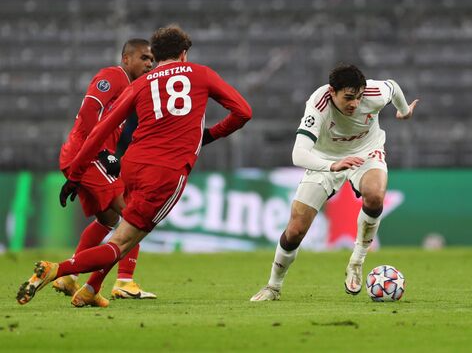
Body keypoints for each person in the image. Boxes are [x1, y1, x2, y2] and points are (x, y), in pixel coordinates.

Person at [16, 25, 252, 307]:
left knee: (114, 224)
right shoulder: (201, 74)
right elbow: (243, 112)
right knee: (122, 242)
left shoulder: (141, 83)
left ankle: (91, 289)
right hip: (165, 171)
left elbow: (101, 129)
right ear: (184, 54)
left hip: (131, 164)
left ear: (157, 55)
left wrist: (76, 173)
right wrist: (210, 135)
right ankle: (60, 270)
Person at [250, 64, 418, 301]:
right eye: (349, 98)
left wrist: (404, 110)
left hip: (366, 152)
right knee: (296, 229)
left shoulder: (374, 92)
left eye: (359, 97)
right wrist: (331, 165)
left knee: (375, 195)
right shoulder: (318, 105)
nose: (355, 104)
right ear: (332, 92)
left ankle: (356, 262)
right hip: (325, 159)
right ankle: (273, 287)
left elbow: (393, 87)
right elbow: (298, 154)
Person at [54, 38, 157, 304]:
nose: (149, 63)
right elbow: (90, 111)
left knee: (108, 220)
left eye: (152, 60)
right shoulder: (112, 76)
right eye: (144, 58)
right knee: (133, 216)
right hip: (86, 156)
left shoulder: (132, 87)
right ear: (126, 59)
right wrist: (101, 153)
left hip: (89, 158)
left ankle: (69, 278)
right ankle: (124, 280)